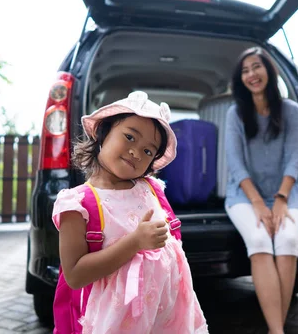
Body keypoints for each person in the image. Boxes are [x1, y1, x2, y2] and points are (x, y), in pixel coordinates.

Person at [52, 91, 208, 334]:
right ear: (104, 133)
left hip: (167, 317)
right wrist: (135, 242)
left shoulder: (153, 189)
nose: (136, 152)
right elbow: (74, 275)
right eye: (129, 137)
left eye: (148, 151)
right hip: (116, 323)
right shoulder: (78, 204)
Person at [225, 47, 298, 334]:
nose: (251, 74)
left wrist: (281, 200)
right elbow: (236, 166)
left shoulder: (292, 111)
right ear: (240, 79)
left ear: (269, 71)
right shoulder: (235, 113)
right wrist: (260, 204)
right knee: (260, 240)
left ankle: (276, 330)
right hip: (244, 195)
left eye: (256, 67)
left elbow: (294, 158)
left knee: (286, 242)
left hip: (289, 192)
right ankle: (278, 331)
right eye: (245, 70)